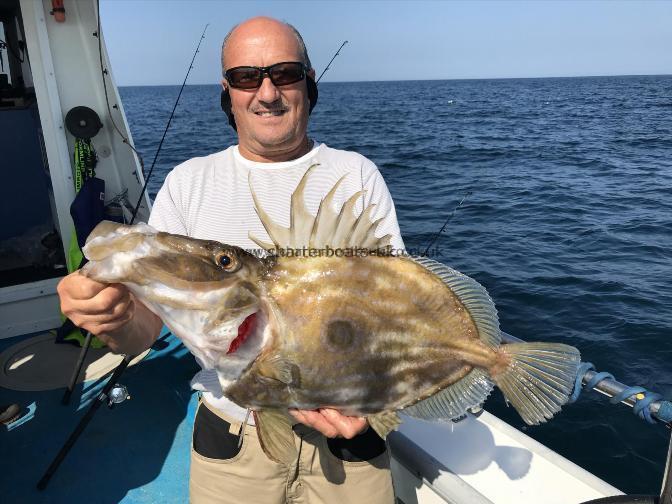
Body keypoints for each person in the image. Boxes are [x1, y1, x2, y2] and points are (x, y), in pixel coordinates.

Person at [57, 16, 404, 504]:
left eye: (284, 73)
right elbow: (146, 328)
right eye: (246, 77)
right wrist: (111, 319)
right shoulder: (189, 181)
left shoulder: (356, 175)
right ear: (228, 91)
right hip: (233, 433)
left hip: (344, 426)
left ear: (309, 82)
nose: (267, 93)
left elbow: (392, 304)